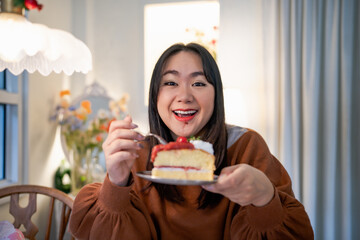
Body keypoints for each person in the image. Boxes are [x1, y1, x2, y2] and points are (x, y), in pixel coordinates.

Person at [69, 43, 314, 239]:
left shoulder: (246, 146)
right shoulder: (138, 153)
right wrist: (116, 183)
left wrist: (264, 197)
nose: (184, 96)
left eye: (198, 83)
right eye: (171, 83)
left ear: (216, 94)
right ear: (155, 95)